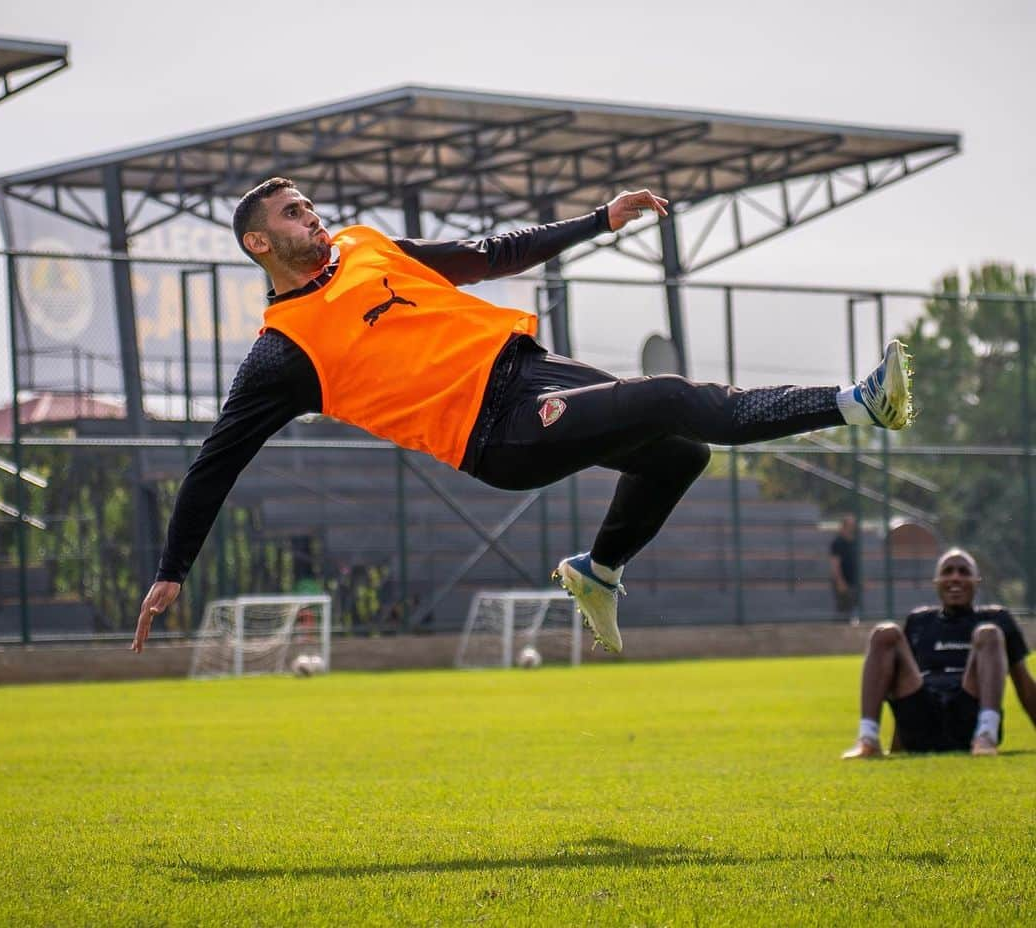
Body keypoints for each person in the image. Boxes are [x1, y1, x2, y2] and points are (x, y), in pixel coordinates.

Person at [131, 177, 915, 656]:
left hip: (529, 369)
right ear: (261, 243)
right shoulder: (281, 352)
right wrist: (172, 570)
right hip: (496, 433)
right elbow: (216, 462)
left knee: (678, 454)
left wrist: (598, 220)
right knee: (673, 395)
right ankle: (854, 401)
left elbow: (490, 253)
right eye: (294, 213)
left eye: (309, 202)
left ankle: (599, 572)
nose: (313, 216)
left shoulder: (368, 246)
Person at [842, 548, 1035, 758]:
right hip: (923, 718)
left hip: (968, 713)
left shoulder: (997, 618)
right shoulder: (919, 621)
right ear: (936, 581)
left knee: (988, 633)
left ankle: (986, 735)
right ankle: (868, 739)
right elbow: (902, 682)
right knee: (884, 632)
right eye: (948, 571)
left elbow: (1022, 682)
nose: (955, 577)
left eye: (964, 572)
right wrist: (899, 743)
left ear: (977, 581)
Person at [829, 514, 859, 622]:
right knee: (842, 612)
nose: (852, 528)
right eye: (850, 525)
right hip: (843, 581)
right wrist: (839, 581)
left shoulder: (854, 542)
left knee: (852, 610)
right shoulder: (837, 543)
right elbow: (834, 564)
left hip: (853, 581)